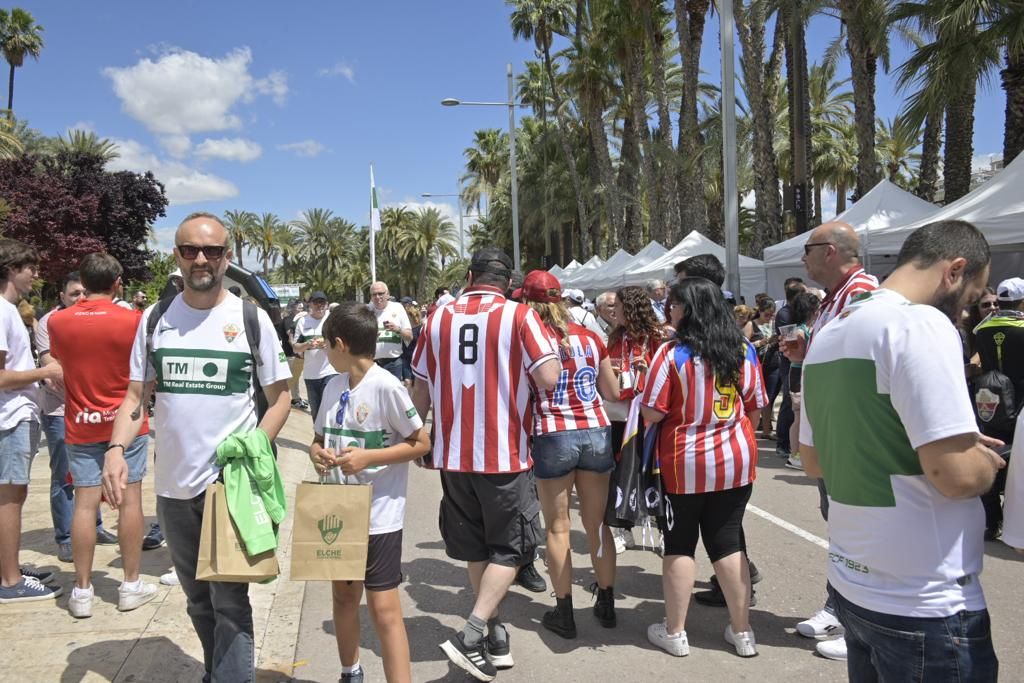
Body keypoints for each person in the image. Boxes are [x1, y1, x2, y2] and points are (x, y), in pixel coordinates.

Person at [799, 220, 1001, 681]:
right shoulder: (920, 323)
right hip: (925, 601)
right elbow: (958, 477)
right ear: (954, 271)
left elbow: (812, 460)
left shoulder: (828, 332)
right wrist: (982, 460)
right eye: (972, 298)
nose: (966, 312)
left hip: (855, 587)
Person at [103, 212, 293, 682]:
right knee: (196, 598)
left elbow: (281, 398)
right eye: (190, 250)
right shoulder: (155, 320)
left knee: (230, 601)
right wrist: (113, 449)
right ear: (177, 256)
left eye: (212, 251)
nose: (201, 259)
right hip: (172, 488)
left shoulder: (251, 319)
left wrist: (253, 447)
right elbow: (134, 396)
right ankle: (218, 672)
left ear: (228, 257)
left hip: (229, 490)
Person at [412, 248, 560, 682]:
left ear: (469, 276)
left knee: (476, 547)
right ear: (507, 283)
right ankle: (473, 632)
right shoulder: (519, 316)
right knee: (511, 548)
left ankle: (495, 633)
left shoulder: (437, 317)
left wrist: (417, 438)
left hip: (453, 455)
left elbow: (419, 389)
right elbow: (549, 377)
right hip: (504, 454)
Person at [641, 277, 766, 658]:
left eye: (674, 305)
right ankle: (743, 632)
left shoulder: (671, 354)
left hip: (684, 462)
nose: (670, 311)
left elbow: (651, 411)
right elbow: (756, 408)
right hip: (735, 459)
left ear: (688, 309)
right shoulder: (743, 349)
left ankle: (676, 632)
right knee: (728, 542)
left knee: (679, 544)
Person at [309, 303, 430, 683]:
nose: (325, 353)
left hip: (379, 516)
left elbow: (421, 442)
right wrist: (319, 454)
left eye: (327, 345)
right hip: (337, 513)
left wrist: (368, 458)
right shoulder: (331, 386)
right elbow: (316, 439)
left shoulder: (387, 386)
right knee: (344, 596)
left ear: (340, 344)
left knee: (384, 610)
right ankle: (350, 672)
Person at [785, 220, 878, 661]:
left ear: (832, 251)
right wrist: (806, 353)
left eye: (808, 248)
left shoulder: (862, 296)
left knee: (860, 530)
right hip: (830, 429)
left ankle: (864, 622)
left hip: (850, 432)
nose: (802, 257)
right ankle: (840, 607)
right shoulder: (833, 301)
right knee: (842, 527)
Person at [48, 252, 158, 617]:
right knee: (130, 501)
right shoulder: (134, 320)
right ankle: (130, 583)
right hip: (125, 421)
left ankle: (81, 590)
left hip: (81, 420)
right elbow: (143, 373)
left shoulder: (59, 323)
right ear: (116, 283)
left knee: (84, 503)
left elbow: (63, 366)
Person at [517, 270, 619, 639]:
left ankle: (564, 612)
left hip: (553, 432)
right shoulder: (591, 337)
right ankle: (606, 602)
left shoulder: (529, 340)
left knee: (558, 528)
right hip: (595, 429)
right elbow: (612, 391)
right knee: (597, 524)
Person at [35, 272, 116, 563]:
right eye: (73, 294)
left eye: (84, 292)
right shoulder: (51, 323)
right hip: (61, 411)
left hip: (93, 413)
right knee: (65, 477)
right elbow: (52, 370)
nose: (80, 299)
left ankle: (95, 527)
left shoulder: (92, 321)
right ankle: (66, 537)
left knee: (91, 475)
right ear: (61, 297)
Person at [0, 238, 63, 603]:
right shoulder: (4, 312)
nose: (35, 276)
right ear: (11, 269)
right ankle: (10, 581)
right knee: (10, 498)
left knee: (15, 495)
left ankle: (10, 566)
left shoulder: (10, 311)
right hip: (10, 417)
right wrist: (45, 370)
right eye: (30, 268)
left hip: (16, 414)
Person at [605, 285, 664, 554]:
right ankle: (622, 529)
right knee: (620, 472)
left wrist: (645, 370)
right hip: (619, 414)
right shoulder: (615, 337)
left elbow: (665, 373)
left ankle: (663, 529)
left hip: (650, 415)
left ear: (629, 307)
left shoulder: (657, 337)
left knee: (654, 473)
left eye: (616, 306)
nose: (612, 311)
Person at [971, 277, 1024, 540]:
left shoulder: (982, 329)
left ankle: (991, 522)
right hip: (1020, 403)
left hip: (990, 401)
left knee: (993, 455)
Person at [780, 291, 820, 471]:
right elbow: (796, 356)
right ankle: (795, 454)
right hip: (798, 374)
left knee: (802, 416)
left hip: (800, 373)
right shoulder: (798, 331)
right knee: (799, 416)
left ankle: (796, 454)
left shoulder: (797, 329)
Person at [293, 292, 337, 421]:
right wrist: (307, 344)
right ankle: (319, 439)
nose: (320, 305)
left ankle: (332, 439)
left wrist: (329, 345)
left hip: (331, 372)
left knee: (330, 409)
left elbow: (342, 341)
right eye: (316, 302)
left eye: (322, 302)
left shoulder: (332, 319)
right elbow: (295, 347)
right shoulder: (302, 322)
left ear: (327, 304)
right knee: (316, 413)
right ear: (310, 304)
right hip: (311, 375)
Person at [369, 282, 413, 381]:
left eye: (380, 293)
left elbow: (409, 336)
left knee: (391, 396)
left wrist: (397, 329)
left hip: (393, 363)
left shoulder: (397, 308)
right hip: (372, 363)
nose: (377, 297)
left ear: (387, 294)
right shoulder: (367, 310)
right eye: (374, 294)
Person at [401, 302, 422, 389]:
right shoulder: (404, 329)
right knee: (407, 381)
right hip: (405, 358)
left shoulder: (420, 328)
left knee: (416, 384)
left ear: (412, 316)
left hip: (416, 359)